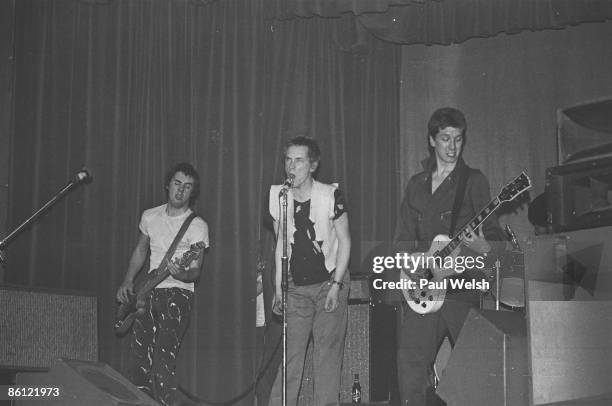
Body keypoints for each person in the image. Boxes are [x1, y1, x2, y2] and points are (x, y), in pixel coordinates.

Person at [393, 108, 504, 406]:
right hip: (424, 287)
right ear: (432, 140)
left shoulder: (473, 180)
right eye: (445, 139)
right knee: (410, 366)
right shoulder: (416, 184)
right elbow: (403, 238)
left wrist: (483, 247)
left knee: (476, 372)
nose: (452, 146)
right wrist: (415, 264)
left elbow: (493, 234)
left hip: (460, 288)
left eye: (458, 139)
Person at [116, 162, 209, 406]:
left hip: (179, 295)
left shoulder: (198, 226)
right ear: (168, 185)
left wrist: (181, 274)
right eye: (177, 184)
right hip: (147, 293)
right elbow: (140, 249)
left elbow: (196, 272)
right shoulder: (150, 216)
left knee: (162, 360)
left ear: (192, 192)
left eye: (187, 187)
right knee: (138, 361)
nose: (180, 191)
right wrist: (127, 279)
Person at [268, 136, 351, 406]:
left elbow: (345, 242)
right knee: (290, 356)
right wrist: (278, 288)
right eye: (288, 160)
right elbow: (280, 242)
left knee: (326, 357)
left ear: (312, 165)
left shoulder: (330, 195)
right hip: (296, 285)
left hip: (329, 280)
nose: (292, 167)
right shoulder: (279, 196)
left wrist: (337, 285)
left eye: (299, 160)